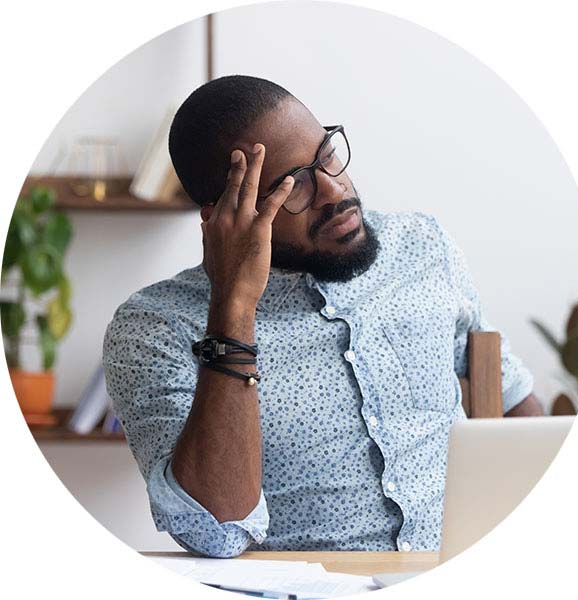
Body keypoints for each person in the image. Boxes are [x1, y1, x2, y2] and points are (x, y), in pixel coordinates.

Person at [103, 75, 542, 558]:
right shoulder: (154, 328)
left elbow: (510, 399)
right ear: (225, 215)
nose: (334, 191)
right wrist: (234, 305)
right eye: (291, 186)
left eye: (326, 154)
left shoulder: (423, 247)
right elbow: (216, 532)